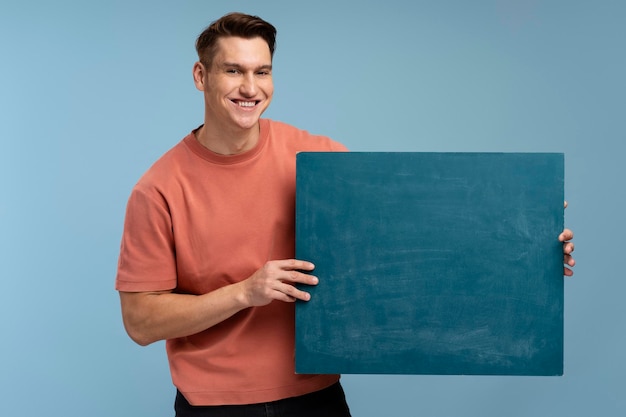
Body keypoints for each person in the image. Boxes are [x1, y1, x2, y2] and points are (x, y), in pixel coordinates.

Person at [115, 12, 575, 417]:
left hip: (315, 396)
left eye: (262, 72)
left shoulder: (318, 156)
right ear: (201, 75)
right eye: (233, 71)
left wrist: (527, 242)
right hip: (214, 406)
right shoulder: (159, 188)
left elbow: (411, 241)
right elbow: (140, 322)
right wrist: (244, 293)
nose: (250, 88)